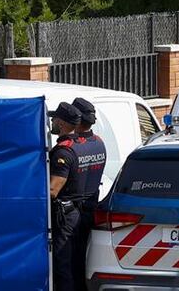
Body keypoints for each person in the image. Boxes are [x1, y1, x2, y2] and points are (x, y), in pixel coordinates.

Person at [48, 101, 91, 291]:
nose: (52, 123)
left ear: (62, 123)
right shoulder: (83, 145)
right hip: (80, 210)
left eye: (55, 120)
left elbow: (52, 190)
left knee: (62, 263)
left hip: (65, 214)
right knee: (75, 262)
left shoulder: (63, 151)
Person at [70, 97, 106, 291]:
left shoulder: (73, 147)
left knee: (71, 260)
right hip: (92, 207)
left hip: (73, 211)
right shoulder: (99, 143)